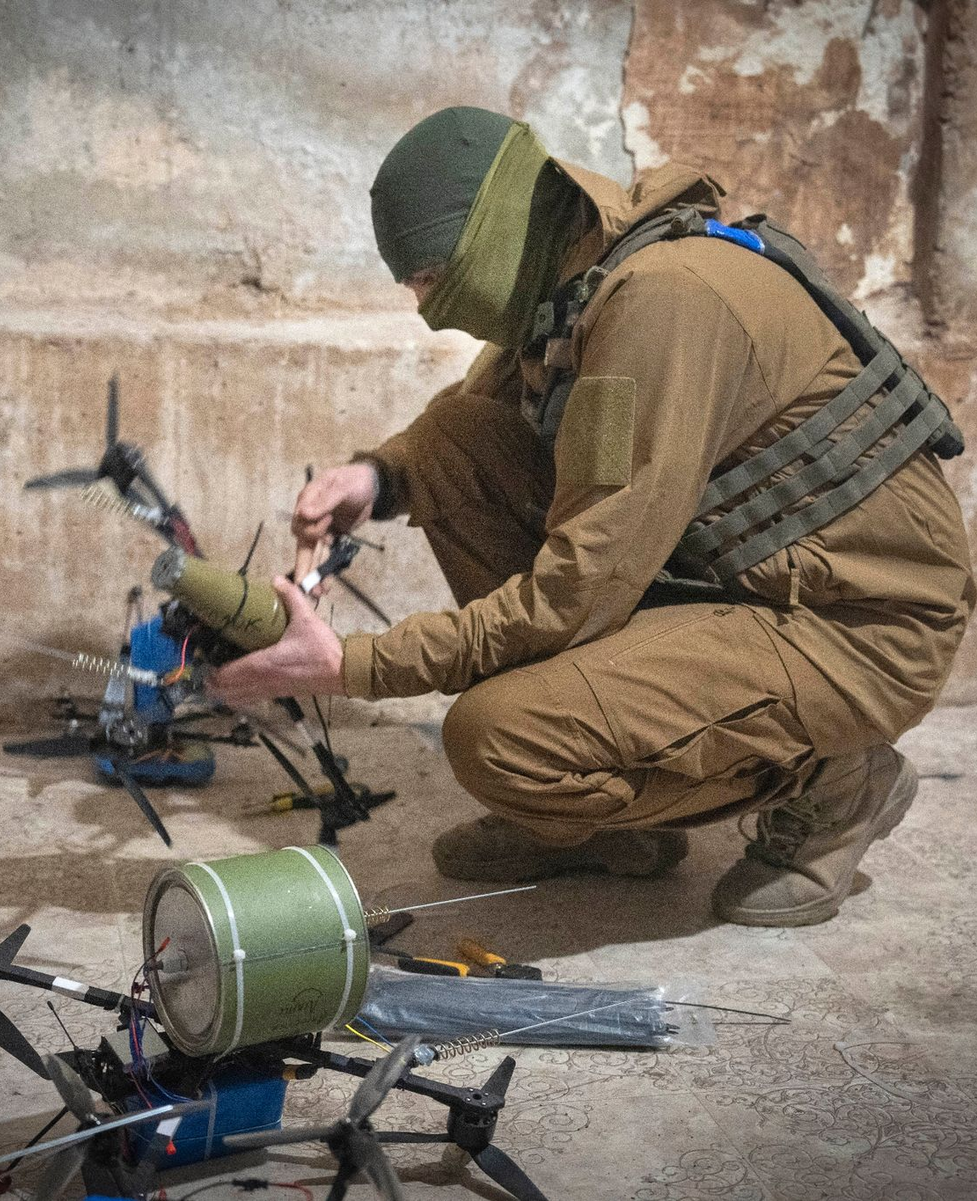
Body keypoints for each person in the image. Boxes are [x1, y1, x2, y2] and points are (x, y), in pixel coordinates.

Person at [209, 106, 974, 927]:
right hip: (744, 582)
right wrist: (378, 479)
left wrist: (356, 663)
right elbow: (469, 432)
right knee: (445, 445)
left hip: (854, 626)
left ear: (495, 233)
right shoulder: (575, 279)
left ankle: (835, 781)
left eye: (433, 276)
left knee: (495, 736)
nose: (428, 308)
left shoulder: (661, 302)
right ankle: (592, 821)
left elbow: (579, 589)